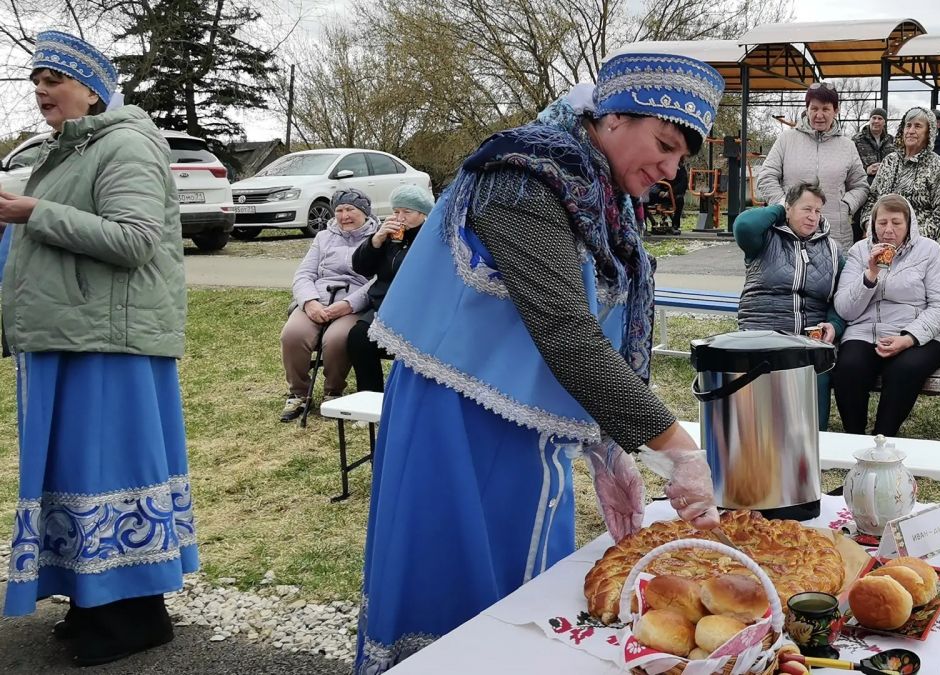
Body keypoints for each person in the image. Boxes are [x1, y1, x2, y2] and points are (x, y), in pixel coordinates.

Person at [355, 53, 725, 671]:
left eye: (682, 156)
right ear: (609, 118)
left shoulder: (602, 196)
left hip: (532, 424)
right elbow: (564, 328)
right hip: (457, 417)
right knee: (461, 590)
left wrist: (609, 448)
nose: (670, 168)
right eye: (663, 144)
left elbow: (597, 334)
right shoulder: (524, 177)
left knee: (528, 588)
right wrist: (676, 449)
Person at [0, 32, 197, 666]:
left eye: (54, 78)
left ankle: (136, 617)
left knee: (109, 470)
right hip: (70, 334)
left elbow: (136, 239)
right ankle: (95, 601)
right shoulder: (67, 149)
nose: (40, 89)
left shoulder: (126, 145)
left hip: (111, 342)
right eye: (35, 79)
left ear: (91, 88)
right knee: (77, 473)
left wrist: (34, 212)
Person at [833, 194, 940, 436]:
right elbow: (845, 309)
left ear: (909, 225)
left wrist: (908, 338)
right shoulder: (859, 251)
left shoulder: (928, 250)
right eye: (882, 223)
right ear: (872, 225)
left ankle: (883, 439)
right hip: (866, 331)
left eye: (896, 223)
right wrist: (870, 274)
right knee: (848, 367)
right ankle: (854, 438)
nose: (889, 230)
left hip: (917, 335)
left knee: (903, 370)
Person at [733, 182, 845, 430]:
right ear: (789, 208)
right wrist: (777, 210)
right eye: (806, 209)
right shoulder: (764, 238)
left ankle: (814, 443)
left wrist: (834, 324)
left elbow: (842, 295)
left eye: (818, 211)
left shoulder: (832, 250)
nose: (813, 217)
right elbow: (743, 225)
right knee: (763, 411)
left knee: (818, 374)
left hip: (809, 338)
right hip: (763, 330)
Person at [279, 188, 378, 421]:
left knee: (336, 339)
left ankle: (333, 393)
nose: (344, 216)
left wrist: (347, 304)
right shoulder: (323, 237)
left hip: (352, 303)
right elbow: (303, 274)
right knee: (292, 335)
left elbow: (376, 281)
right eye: (340, 210)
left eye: (351, 209)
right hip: (319, 299)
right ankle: (299, 393)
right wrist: (310, 302)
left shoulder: (377, 238)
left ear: (364, 212)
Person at [756, 82, 868, 249]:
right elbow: (766, 177)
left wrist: (845, 206)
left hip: (836, 235)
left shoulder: (847, 146)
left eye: (825, 109)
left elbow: (861, 186)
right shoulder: (786, 140)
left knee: (835, 274)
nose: (819, 115)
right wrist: (784, 204)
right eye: (814, 109)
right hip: (790, 233)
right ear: (807, 109)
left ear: (835, 111)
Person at [347, 185, 431, 392]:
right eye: (396, 212)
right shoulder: (389, 238)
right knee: (359, 337)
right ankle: (370, 397)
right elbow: (360, 267)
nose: (400, 217)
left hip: (419, 311)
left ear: (423, 214)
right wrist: (375, 241)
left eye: (407, 212)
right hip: (385, 306)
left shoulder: (432, 239)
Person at [859, 107, 940, 243]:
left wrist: (910, 239)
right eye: (908, 125)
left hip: (919, 249)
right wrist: (870, 226)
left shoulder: (938, 166)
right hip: (881, 243)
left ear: (929, 132)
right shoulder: (889, 161)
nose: (911, 131)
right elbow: (872, 199)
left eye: (918, 126)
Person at [853, 107, 895, 186]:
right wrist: (866, 170)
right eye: (874, 118)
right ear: (870, 120)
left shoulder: (892, 141)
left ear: (884, 122)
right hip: (863, 184)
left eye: (880, 118)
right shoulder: (857, 140)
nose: (876, 121)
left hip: (887, 184)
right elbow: (850, 165)